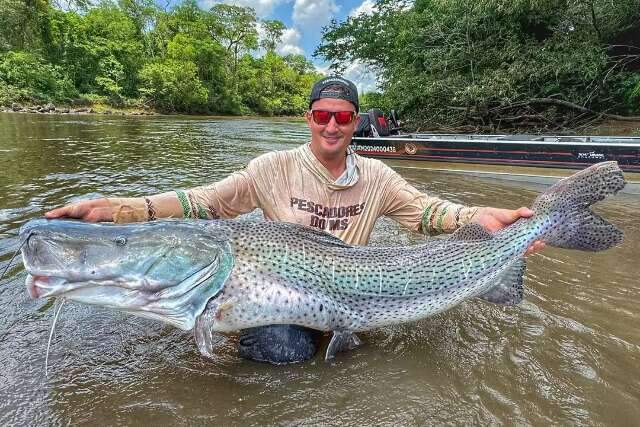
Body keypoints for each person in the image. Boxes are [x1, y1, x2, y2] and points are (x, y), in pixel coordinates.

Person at [46, 76, 544, 364]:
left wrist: (482, 217)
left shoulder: (378, 176)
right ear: (308, 118)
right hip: (287, 299)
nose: (332, 125)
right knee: (279, 350)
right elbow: (205, 203)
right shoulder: (270, 168)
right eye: (322, 115)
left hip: (357, 287)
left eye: (343, 117)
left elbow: (430, 213)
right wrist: (116, 210)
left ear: (355, 122)